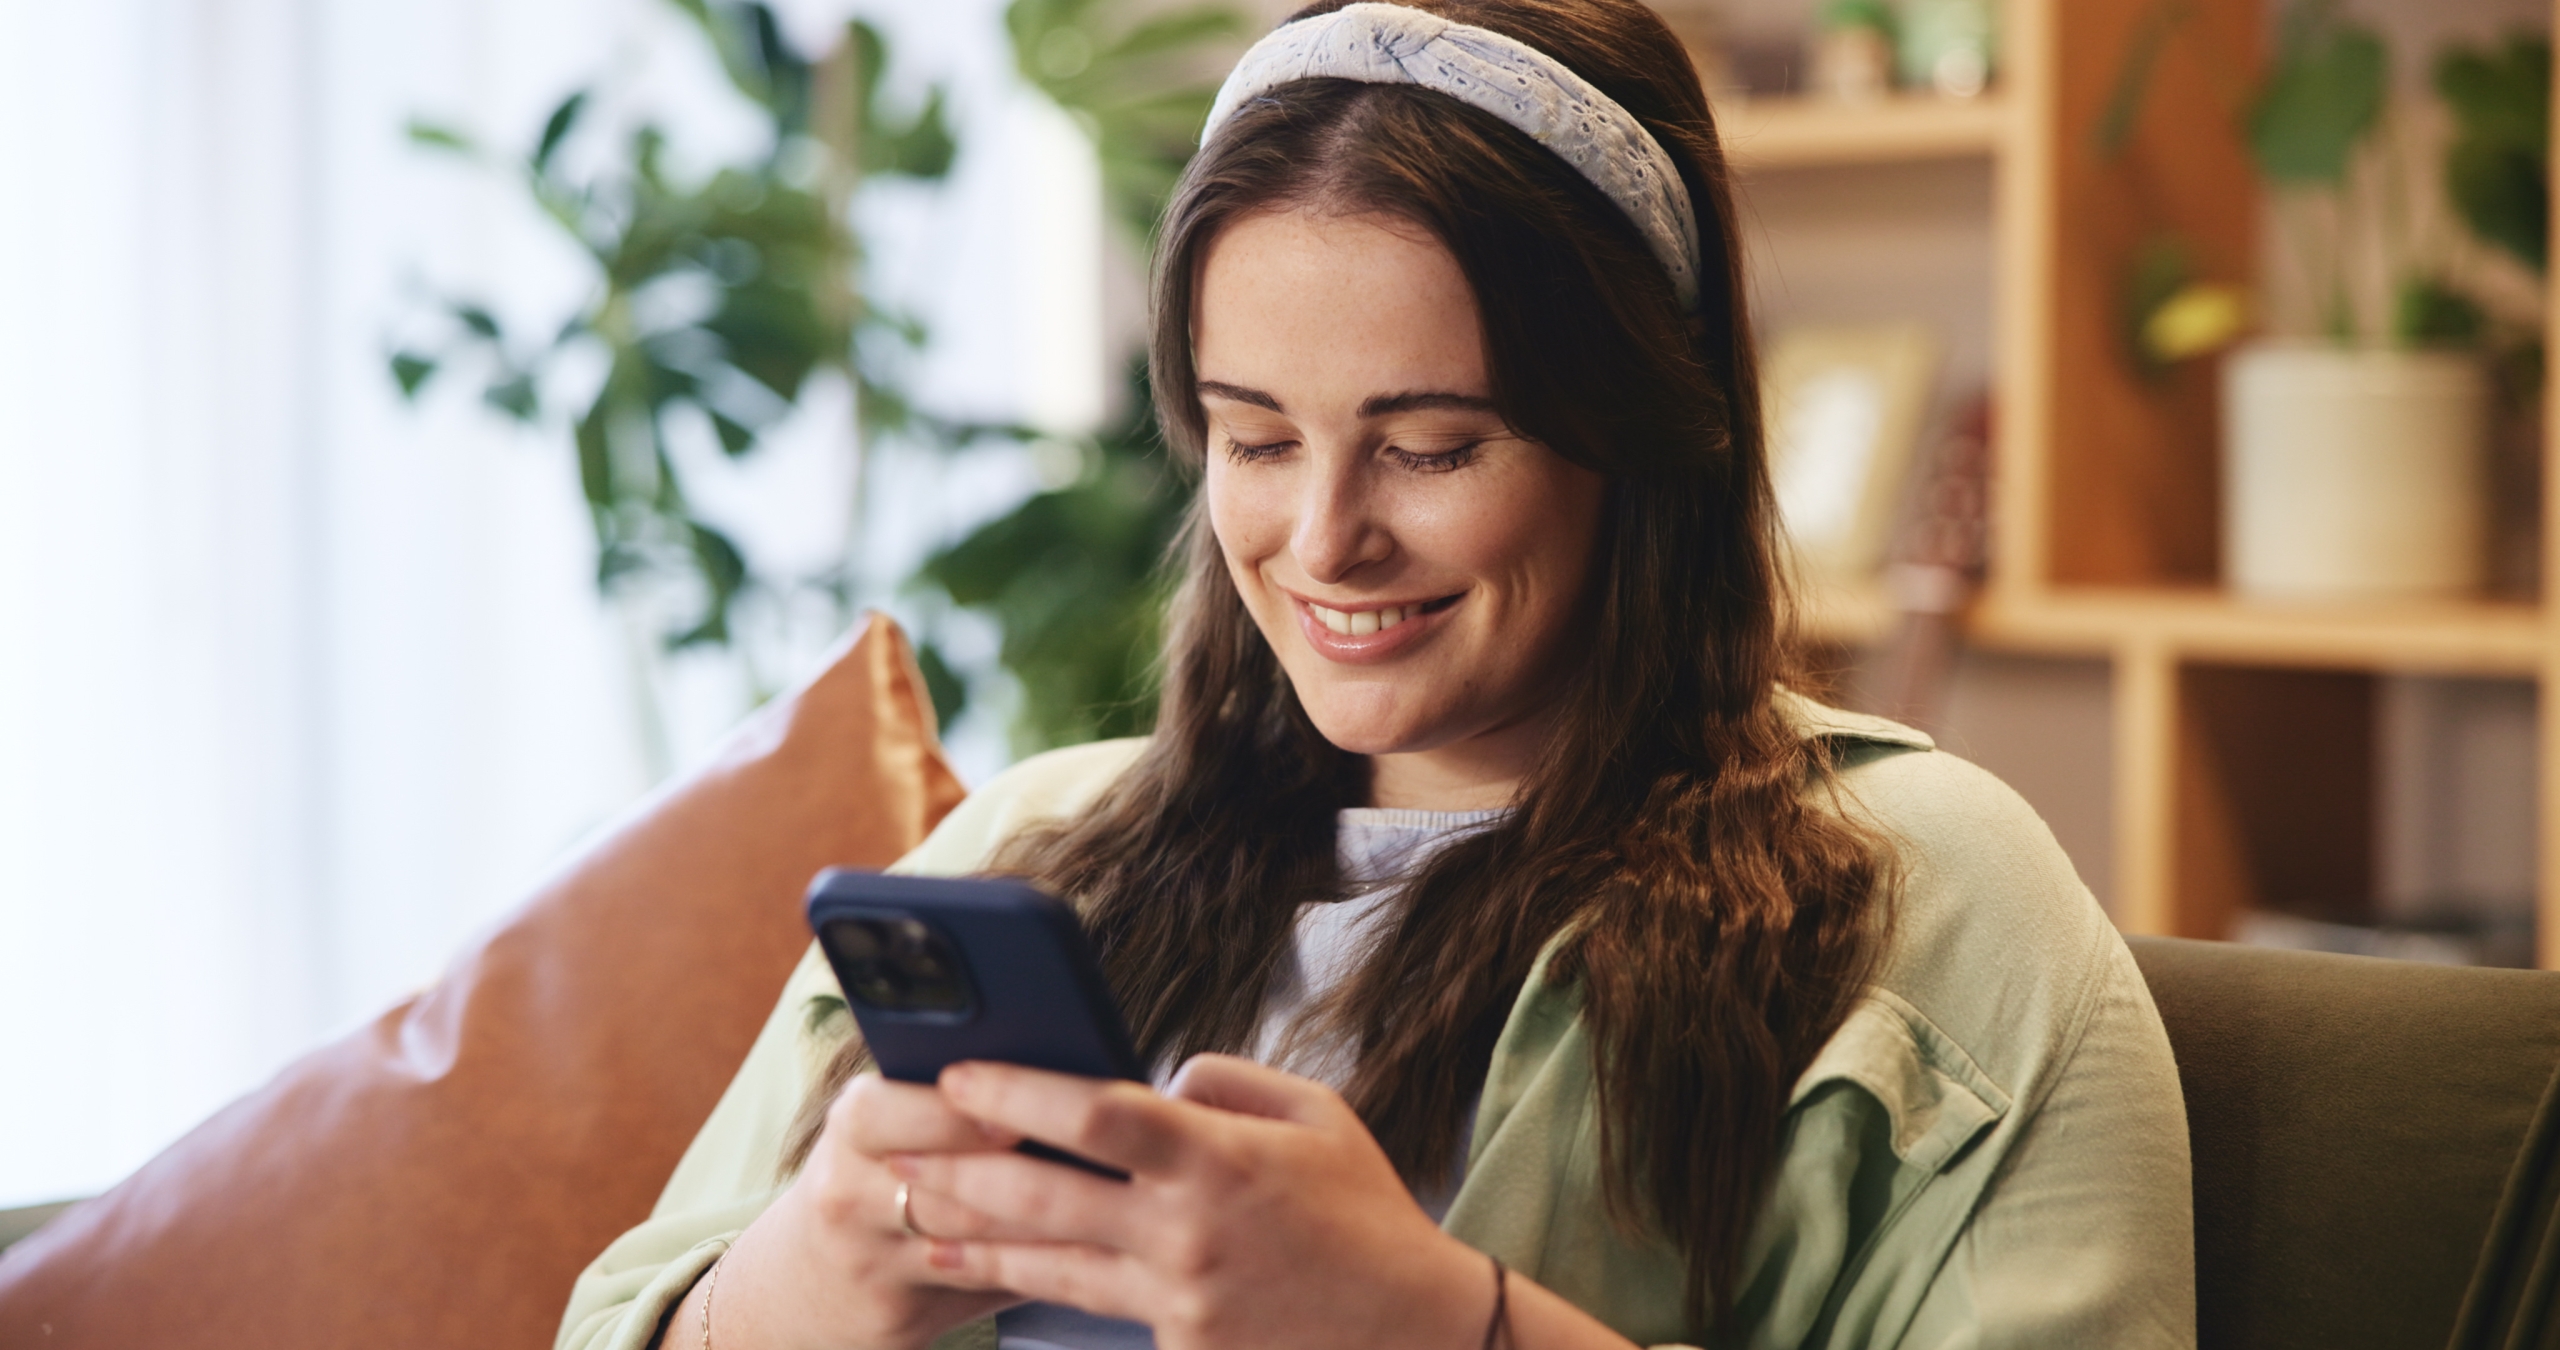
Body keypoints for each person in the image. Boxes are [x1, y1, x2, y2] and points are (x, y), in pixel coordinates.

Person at [557, 2, 2196, 1347]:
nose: (1324, 538)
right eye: (1255, 437)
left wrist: (1441, 1325)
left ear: (1644, 437)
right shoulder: (1027, 847)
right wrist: (804, 1285)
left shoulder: (1929, 902)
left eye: (1431, 446)